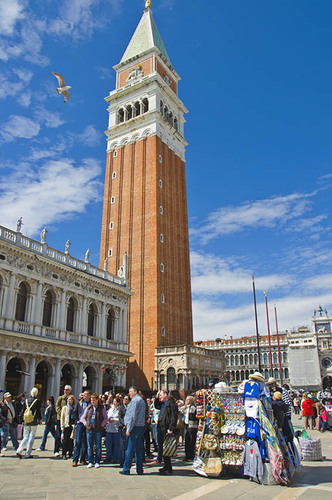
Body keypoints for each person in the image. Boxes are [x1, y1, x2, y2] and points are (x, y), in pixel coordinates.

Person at [120, 386, 146, 475]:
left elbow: (132, 416)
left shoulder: (135, 401)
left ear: (135, 392)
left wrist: (129, 428)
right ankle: (140, 469)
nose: (129, 394)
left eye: (130, 391)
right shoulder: (141, 401)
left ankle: (126, 468)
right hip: (141, 427)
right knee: (139, 449)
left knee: (129, 449)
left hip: (134, 428)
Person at [154, 390, 178, 475]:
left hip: (166, 428)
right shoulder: (163, 404)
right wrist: (156, 397)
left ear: (165, 395)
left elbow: (173, 416)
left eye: (160, 395)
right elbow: (156, 406)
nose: (159, 397)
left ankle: (168, 468)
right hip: (161, 428)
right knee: (163, 448)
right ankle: (166, 466)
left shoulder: (170, 404)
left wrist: (171, 428)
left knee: (167, 448)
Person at [81, 393, 108, 468]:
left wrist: (102, 424)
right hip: (89, 429)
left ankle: (97, 461)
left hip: (98, 429)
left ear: (97, 400)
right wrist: (85, 424)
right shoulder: (89, 407)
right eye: (91, 400)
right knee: (90, 446)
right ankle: (90, 461)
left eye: (94, 400)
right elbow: (83, 417)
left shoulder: (101, 408)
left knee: (98, 446)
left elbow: (105, 418)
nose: (92, 401)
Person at [16, 387, 42, 459]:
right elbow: (38, 411)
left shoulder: (26, 400)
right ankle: (27, 453)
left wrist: (22, 420)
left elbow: (23, 410)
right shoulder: (37, 401)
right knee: (31, 436)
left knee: (26, 436)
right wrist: (40, 419)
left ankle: (19, 450)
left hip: (27, 420)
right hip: (33, 420)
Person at [72, 390, 90, 467]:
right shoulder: (80, 403)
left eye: (85, 394)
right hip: (80, 423)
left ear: (89, 395)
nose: (84, 396)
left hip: (88, 424)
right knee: (78, 441)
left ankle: (83, 458)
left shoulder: (91, 404)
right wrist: (77, 421)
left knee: (85, 441)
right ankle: (75, 459)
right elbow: (75, 412)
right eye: (83, 394)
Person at [55, 385, 72, 457]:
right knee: (58, 435)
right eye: (65, 389)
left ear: (70, 391)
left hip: (68, 421)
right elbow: (57, 407)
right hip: (60, 419)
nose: (65, 390)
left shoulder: (71, 398)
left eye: (67, 389)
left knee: (67, 436)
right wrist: (61, 413)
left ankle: (67, 449)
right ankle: (56, 450)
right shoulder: (60, 398)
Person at [105, 397, 123, 463]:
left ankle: (115, 458)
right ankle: (108, 457)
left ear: (118, 403)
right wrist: (109, 419)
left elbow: (120, 418)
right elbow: (107, 416)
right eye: (113, 401)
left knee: (116, 445)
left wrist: (114, 420)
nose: (114, 403)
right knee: (108, 444)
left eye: (115, 402)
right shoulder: (110, 409)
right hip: (109, 428)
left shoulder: (120, 409)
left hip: (116, 428)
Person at [61, 395, 76, 459]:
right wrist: (62, 425)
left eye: (70, 399)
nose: (69, 400)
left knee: (71, 440)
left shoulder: (74, 407)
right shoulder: (65, 407)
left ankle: (70, 453)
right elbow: (62, 417)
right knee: (65, 440)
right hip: (66, 425)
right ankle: (64, 453)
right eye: (68, 399)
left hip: (72, 425)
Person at [183, 395, 198, 461]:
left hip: (192, 426)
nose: (186, 401)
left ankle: (191, 456)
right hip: (187, 425)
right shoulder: (187, 407)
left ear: (191, 401)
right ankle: (187, 455)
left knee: (191, 441)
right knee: (187, 441)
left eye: (188, 400)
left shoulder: (192, 407)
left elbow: (193, 416)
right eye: (186, 400)